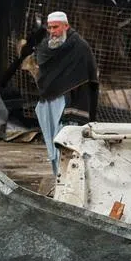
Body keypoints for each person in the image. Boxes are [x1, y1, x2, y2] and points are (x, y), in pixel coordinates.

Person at [33, 10, 99, 176]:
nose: (52, 31)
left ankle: (69, 179)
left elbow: (88, 77)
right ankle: (58, 178)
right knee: (52, 144)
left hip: (70, 103)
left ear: (66, 26)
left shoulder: (80, 47)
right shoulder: (46, 47)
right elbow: (43, 70)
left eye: (56, 27)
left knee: (66, 143)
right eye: (50, 28)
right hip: (48, 102)